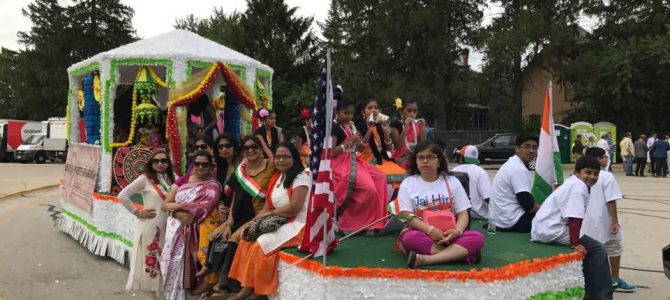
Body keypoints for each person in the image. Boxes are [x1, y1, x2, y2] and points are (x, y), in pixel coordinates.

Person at [228, 143, 311, 299]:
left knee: (260, 246)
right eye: (278, 156)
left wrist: (269, 214)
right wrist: (252, 222)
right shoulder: (277, 177)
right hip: (279, 221)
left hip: (299, 225)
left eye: (286, 156)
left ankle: (259, 291)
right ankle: (246, 288)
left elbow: (294, 208)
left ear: (294, 158)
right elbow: (267, 207)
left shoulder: (301, 178)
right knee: (246, 239)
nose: (281, 160)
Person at [531, 156, 613, 299]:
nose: (592, 177)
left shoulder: (574, 182)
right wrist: (575, 243)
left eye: (595, 174)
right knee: (598, 250)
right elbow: (574, 218)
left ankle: (590, 290)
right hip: (551, 230)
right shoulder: (578, 186)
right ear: (577, 172)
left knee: (590, 246)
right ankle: (602, 296)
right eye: (588, 172)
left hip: (544, 227)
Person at [397, 141, 485, 268]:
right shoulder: (408, 183)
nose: (425, 161)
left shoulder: (452, 181)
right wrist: (430, 230)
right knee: (410, 238)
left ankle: (426, 259)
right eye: (421, 157)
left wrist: (458, 231)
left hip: (451, 235)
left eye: (430, 157)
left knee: (477, 237)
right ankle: (462, 254)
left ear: (439, 161)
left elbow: (463, 214)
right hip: (423, 233)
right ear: (415, 161)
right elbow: (407, 216)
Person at [215, 135, 275, 293]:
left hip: (263, 213)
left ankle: (231, 284)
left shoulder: (270, 165)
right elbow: (236, 196)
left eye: (254, 147)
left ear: (261, 149)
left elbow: (276, 157)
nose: (251, 150)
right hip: (243, 213)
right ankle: (220, 280)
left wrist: (261, 140)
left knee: (237, 238)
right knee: (218, 234)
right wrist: (229, 221)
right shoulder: (242, 170)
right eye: (246, 148)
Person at [160, 150, 222, 300]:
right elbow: (165, 205)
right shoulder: (182, 180)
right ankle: (173, 295)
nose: (200, 167)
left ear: (211, 166)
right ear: (192, 164)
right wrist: (178, 214)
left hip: (199, 229)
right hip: (176, 228)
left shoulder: (214, 185)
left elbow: (207, 205)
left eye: (205, 165)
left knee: (195, 262)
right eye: (197, 164)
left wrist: (179, 205)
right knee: (173, 261)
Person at [191, 133, 242, 296]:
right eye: (220, 147)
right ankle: (209, 274)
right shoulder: (219, 168)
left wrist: (230, 212)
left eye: (227, 145)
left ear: (235, 147)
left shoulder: (242, 165)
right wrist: (220, 206)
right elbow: (220, 194)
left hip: (241, 210)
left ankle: (213, 280)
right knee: (206, 224)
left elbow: (243, 194)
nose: (224, 149)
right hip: (224, 210)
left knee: (221, 234)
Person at [118, 149, 175, 293]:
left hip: (171, 226)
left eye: (164, 161)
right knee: (154, 260)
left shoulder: (173, 178)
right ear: (151, 163)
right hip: (152, 226)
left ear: (168, 163)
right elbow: (123, 195)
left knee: (168, 259)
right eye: (156, 161)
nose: (160, 164)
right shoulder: (145, 179)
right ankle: (155, 292)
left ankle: (166, 291)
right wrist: (137, 212)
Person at [581, 147, 636, 292]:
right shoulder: (605, 176)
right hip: (604, 221)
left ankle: (588, 280)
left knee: (588, 252)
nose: (607, 159)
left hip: (585, 223)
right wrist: (615, 221)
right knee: (614, 247)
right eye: (604, 157)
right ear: (598, 159)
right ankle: (614, 278)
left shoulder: (580, 175)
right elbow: (611, 200)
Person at [331, 99, 389, 234]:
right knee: (369, 189)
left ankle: (376, 221)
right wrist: (349, 143)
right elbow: (330, 152)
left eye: (351, 113)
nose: (349, 116)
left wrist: (370, 131)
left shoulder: (350, 126)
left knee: (381, 178)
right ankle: (353, 223)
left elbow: (361, 148)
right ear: (337, 112)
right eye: (346, 113)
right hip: (339, 164)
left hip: (353, 160)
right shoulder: (333, 128)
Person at [490, 134, 539, 232]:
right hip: (511, 221)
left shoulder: (512, 163)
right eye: (527, 146)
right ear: (517, 149)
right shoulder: (518, 169)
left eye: (535, 147)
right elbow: (528, 205)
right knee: (553, 219)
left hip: (498, 220)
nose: (531, 151)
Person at [452, 145, 491, 220]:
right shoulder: (480, 171)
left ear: (462, 158)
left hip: (459, 215)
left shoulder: (454, 170)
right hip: (479, 215)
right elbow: (487, 197)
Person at [390, 98, 427, 168]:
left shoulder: (417, 125)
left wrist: (422, 129)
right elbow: (398, 147)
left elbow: (423, 146)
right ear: (401, 111)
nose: (412, 114)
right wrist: (406, 128)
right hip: (400, 158)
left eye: (415, 111)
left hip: (415, 157)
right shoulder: (396, 125)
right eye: (409, 111)